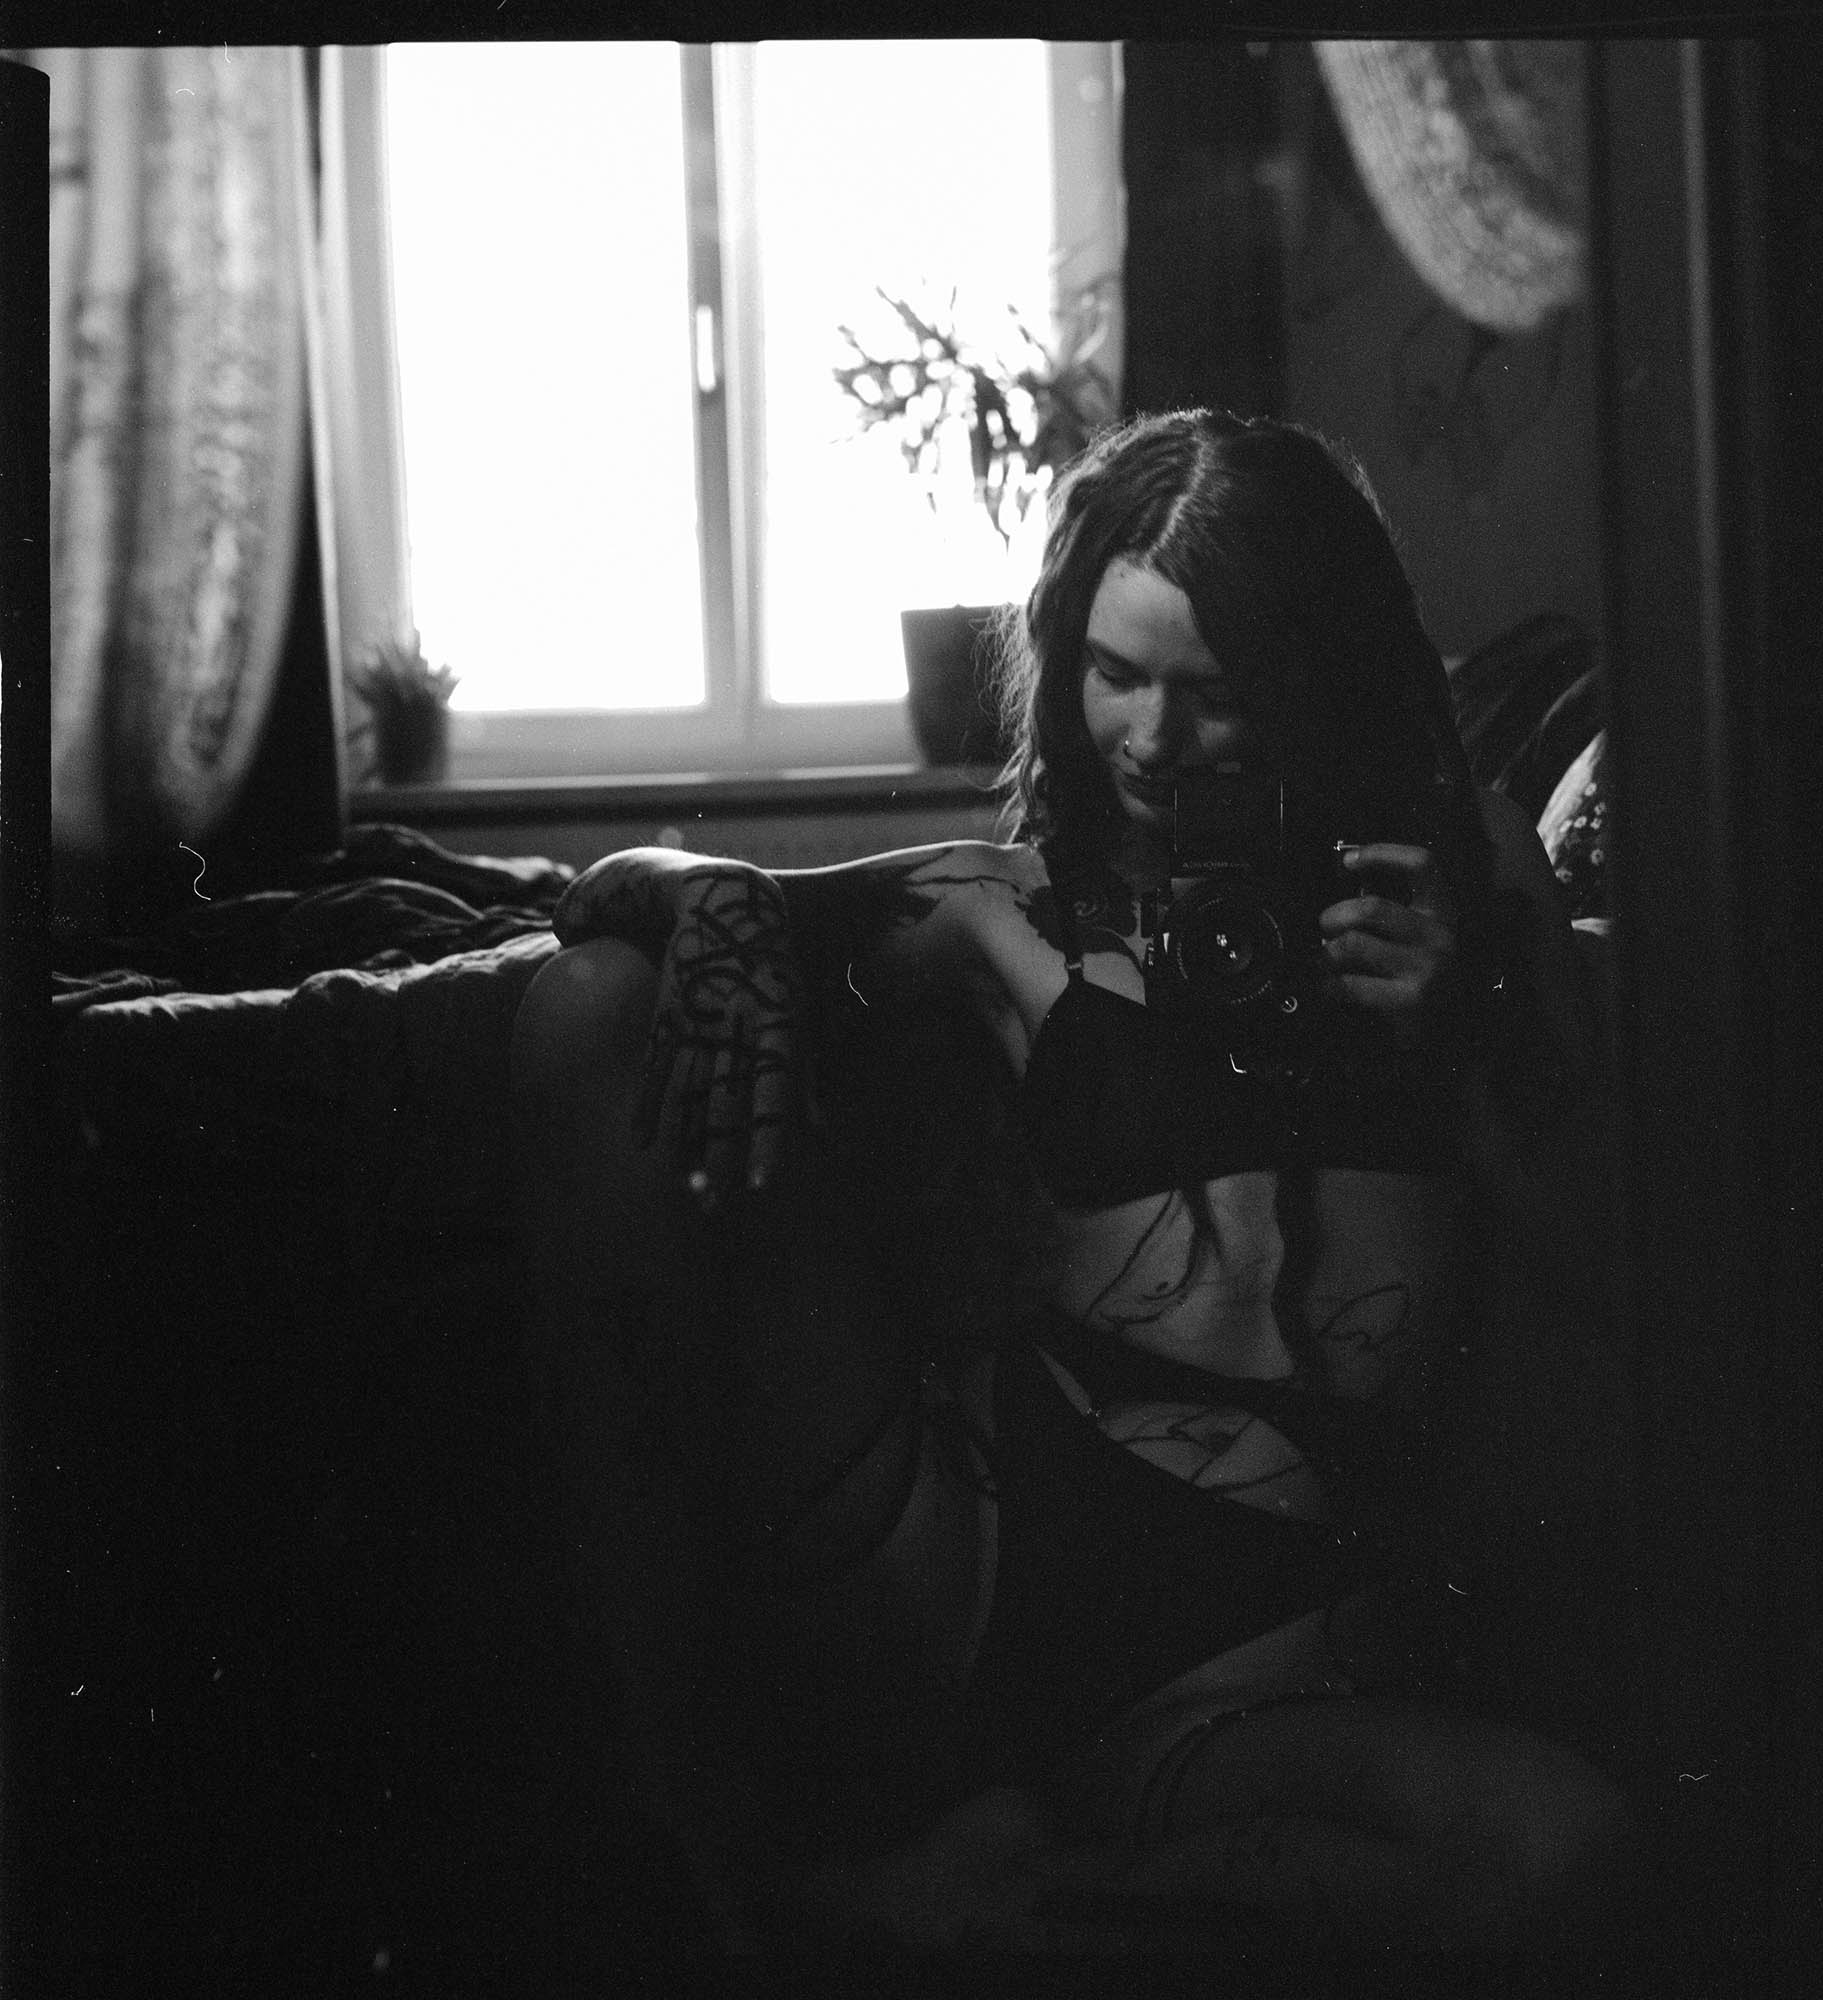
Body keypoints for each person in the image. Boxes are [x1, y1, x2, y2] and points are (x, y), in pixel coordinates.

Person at [509, 410, 1638, 1960]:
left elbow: (1617, 1267)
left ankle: (956, 1903)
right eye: (1116, 675)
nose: (1155, 742)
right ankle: (700, 1840)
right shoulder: (1007, 910)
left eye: (1217, 691)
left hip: (1247, 1657)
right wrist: (711, 908)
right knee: (589, 1012)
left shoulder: (1463, 878)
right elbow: (625, 900)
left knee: (1557, 1851)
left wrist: (1477, 1028)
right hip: (970, 1553)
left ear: (1317, 669)